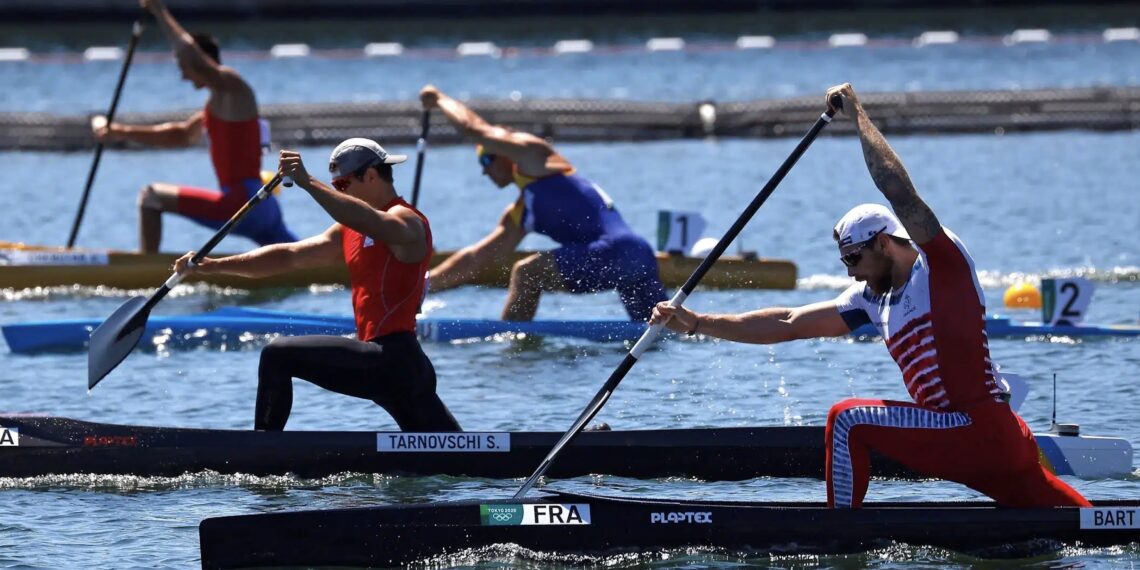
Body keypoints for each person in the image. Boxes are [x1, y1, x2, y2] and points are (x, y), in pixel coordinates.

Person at [650, 83, 1090, 509]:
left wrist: (857, 115)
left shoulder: (941, 267)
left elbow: (898, 191)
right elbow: (787, 323)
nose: (850, 271)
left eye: (854, 259)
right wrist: (696, 322)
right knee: (1088, 523)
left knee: (847, 419)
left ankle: (838, 536)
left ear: (883, 243)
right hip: (980, 447)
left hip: (979, 430)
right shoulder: (869, 299)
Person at [174, 138, 461, 432]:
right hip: (391, 368)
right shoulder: (348, 230)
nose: (339, 192)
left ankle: (262, 451)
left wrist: (308, 182)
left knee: (277, 356)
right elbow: (288, 257)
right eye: (335, 187)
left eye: (342, 185)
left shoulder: (407, 221)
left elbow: (378, 224)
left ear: (372, 176)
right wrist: (211, 266)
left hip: (394, 360)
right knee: (461, 457)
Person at [419, 85, 667, 322]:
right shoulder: (521, 212)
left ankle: (512, 344)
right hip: (638, 256)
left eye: (486, 161)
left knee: (527, 273)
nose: (485, 172)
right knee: (662, 330)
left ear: (504, 152)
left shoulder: (535, 157)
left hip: (613, 251)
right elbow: (476, 259)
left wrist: (440, 98)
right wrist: (423, 285)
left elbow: (473, 129)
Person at [94, 0, 296, 253]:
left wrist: (159, 11)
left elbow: (196, 61)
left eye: (183, 66)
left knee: (151, 197)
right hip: (261, 205)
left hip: (241, 204)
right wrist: (118, 132)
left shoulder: (233, 86)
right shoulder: (217, 104)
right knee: (306, 257)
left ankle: (145, 270)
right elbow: (179, 135)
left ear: (203, 60)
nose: (183, 75)